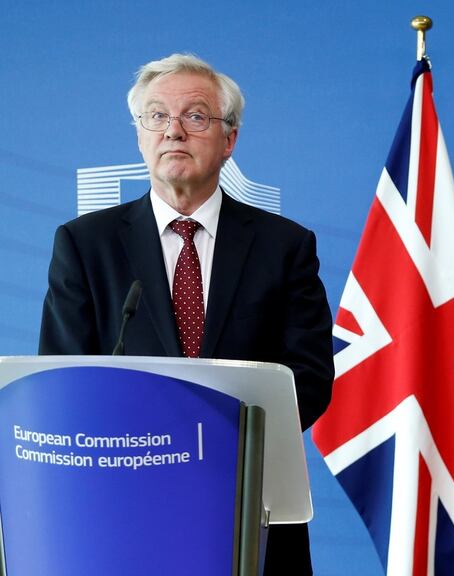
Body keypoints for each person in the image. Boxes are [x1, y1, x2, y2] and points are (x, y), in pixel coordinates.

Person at [39, 53, 333, 575]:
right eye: (156, 116)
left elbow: (307, 379)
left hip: (250, 506)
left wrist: (214, 448)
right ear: (139, 137)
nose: (173, 130)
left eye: (195, 116)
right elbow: (65, 381)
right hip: (124, 508)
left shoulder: (284, 246)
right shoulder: (86, 245)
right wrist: (157, 450)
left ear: (230, 139)